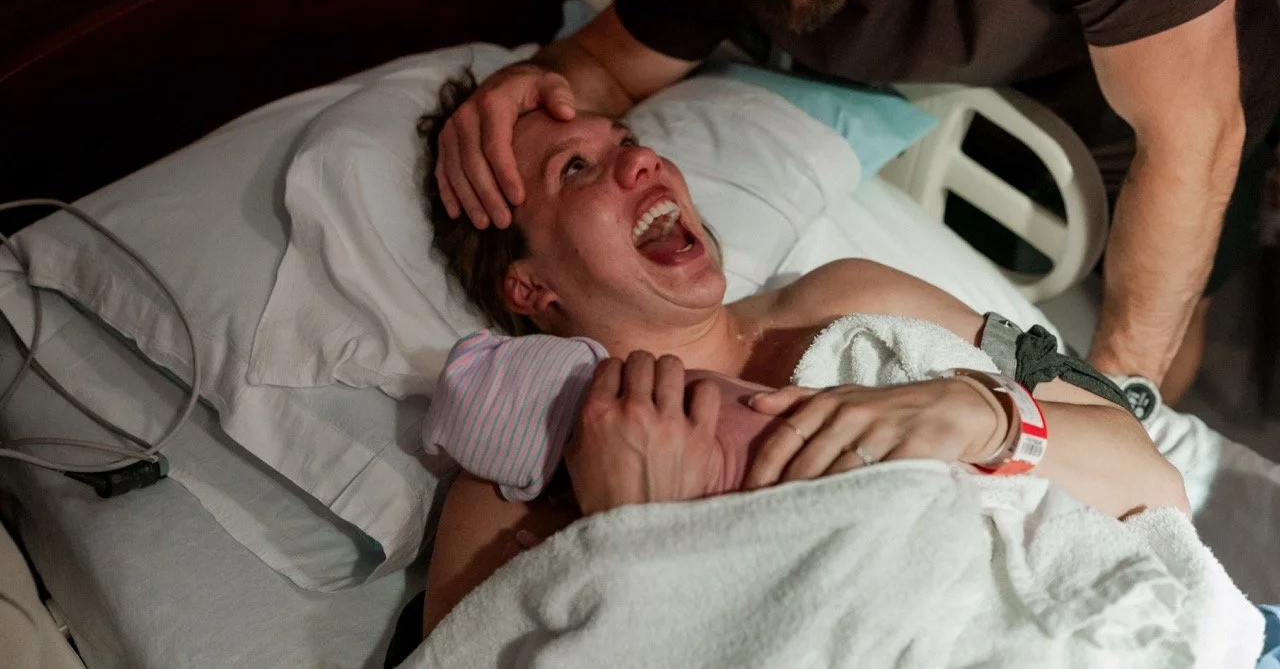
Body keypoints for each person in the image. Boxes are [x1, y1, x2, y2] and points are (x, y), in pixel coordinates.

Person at [432, 0, 1280, 407]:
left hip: (1155, 89)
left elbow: (1190, 136)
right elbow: (607, 64)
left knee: (1160, 322)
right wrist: (530, 84)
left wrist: (1113, 406)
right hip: (967, 85)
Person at [404, 71, 1190, 647]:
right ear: (529, 286)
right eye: (574, 169)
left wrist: (983, 415)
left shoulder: (849, 300)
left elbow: (1154, 484)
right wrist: (633, 541)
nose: (642, 163)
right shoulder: (521, 476)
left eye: (629, 142)